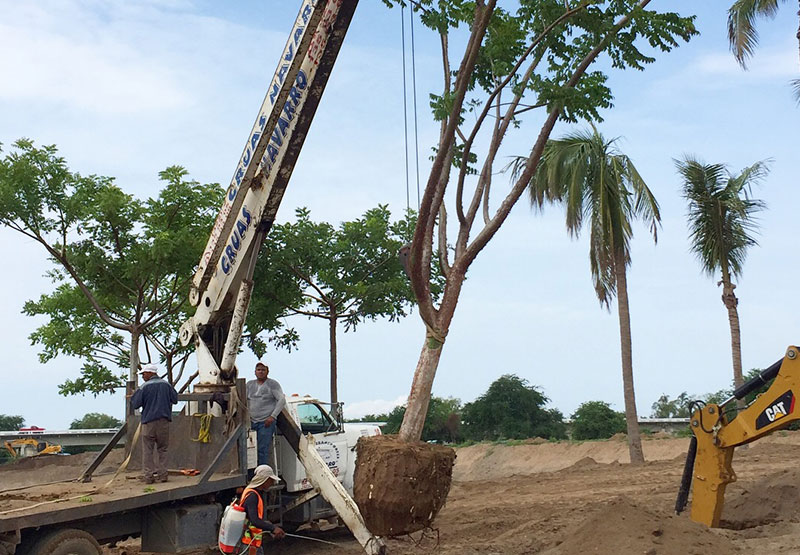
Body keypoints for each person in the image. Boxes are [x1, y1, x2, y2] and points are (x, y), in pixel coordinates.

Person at [130, 363, 178, 484]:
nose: (142, 376)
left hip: (148, 423)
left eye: (144, 374)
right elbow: (175, 399)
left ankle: (148, 477)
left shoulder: (144, 387)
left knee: (148, 450)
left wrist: (134, 395)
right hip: (164, 422)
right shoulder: (167, 385)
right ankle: (163, 475)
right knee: (163, 449)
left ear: (150, 373)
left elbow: (135, 404)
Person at [238, 464, 285, 554]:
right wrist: (273, 528)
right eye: (271, 480)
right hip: (249, 543)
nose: (272, 483)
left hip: (250, 542)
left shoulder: (250, 492)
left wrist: (268, 527)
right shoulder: (253, 496)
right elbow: (254, 520)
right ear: (265, 480)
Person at [246, 362, 286, 466]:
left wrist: (273, 416)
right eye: (258, 370)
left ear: (267, 371)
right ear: (255, 372)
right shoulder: (249, 384)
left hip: (265, 422)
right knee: (249, 449)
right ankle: (251, 474)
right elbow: (242, 400)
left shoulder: (273, 384)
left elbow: (281, 400)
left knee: (262, 449)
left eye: (263, 370)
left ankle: (262, 473)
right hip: (251, 422)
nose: (261, 372)